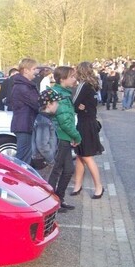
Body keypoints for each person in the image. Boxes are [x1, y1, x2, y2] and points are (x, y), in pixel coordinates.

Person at [48, 66, 81, 212]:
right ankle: (51, 203)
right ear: (62, 79)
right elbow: (65, 121)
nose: (75, 79)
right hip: (61, 137)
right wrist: (76, 135)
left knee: (68, 170)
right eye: (72, 76)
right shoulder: (59, 94)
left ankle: (59, 199)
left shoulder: (65, 93)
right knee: (56, 171)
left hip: (65, 137)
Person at [71, 62, 105, 199]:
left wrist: (80, 107)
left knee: (86, 156)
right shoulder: (93, 85)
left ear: (80, 72)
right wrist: (82, 107)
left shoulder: (83, 86)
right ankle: (78, 185)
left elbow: (73, 104)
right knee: (80, 155)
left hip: (85, 124)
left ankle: (99, 187)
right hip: (90, 122)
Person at [10, 58, 40, 164]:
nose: (36, 72)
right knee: (22, 158)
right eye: (34, 69)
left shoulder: (24, 85)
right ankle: (17, 179)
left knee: (25, 156)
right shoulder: (23, 87)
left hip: (25, 124)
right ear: (26, 70)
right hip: (24, 125)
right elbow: (37, 103)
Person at [31, 88, 60, 169]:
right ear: (49, 104)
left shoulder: (44, 118)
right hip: (43, 160)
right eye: (56, 102)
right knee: (45, 181)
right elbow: (42, 145)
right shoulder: (44, 121)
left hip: (43, 159)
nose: (58, 105)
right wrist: (51, 160)